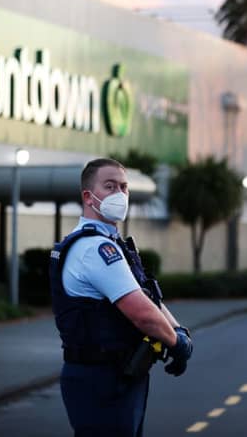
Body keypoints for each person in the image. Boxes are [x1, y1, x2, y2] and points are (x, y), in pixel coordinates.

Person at [49, 158, 193, 437]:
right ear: (88, 197)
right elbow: (141, 313)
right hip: (101, 379)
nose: (120, 194)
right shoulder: (96, 249)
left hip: (118, 375)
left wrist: (177, 332)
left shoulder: (111, 243)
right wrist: (178, 345)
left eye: (124, 187)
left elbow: (148, 297)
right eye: (110, 186)